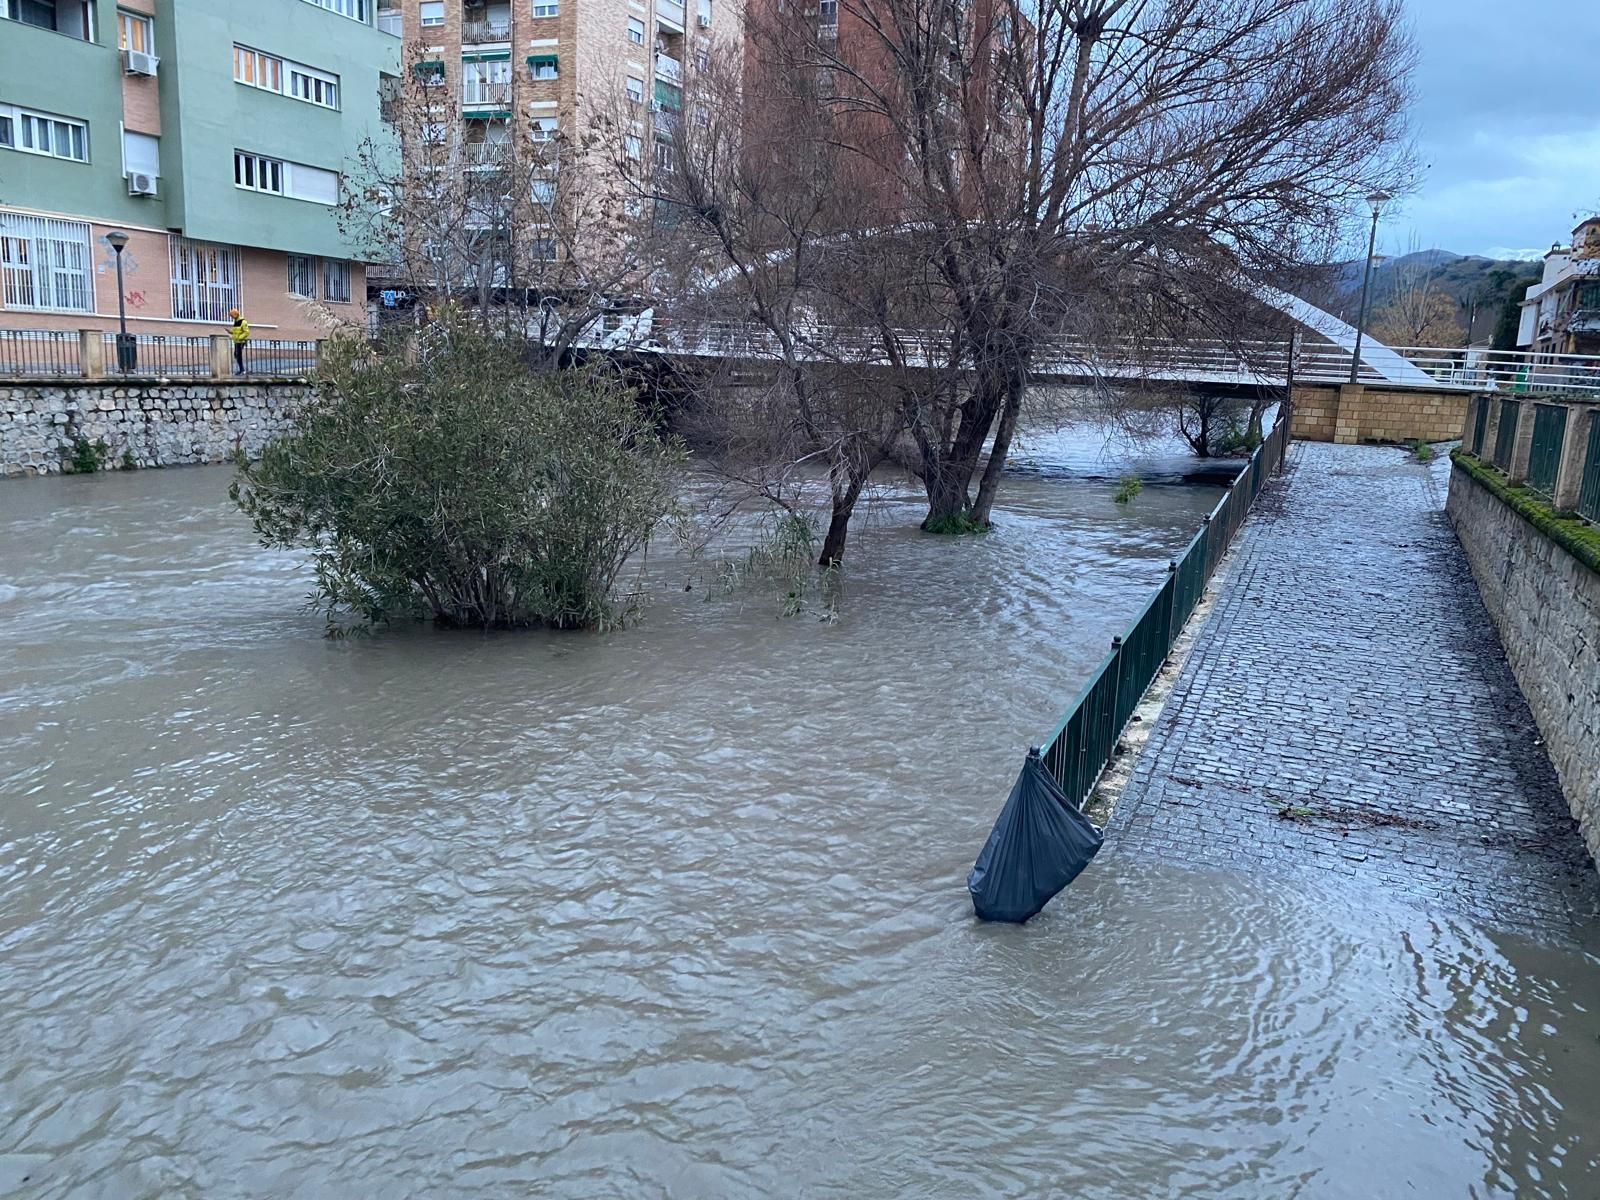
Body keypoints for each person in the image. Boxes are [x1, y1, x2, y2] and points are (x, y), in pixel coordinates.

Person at [228, 308, 250, 374]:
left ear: (235, 315)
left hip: (240, 341)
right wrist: (230, 332)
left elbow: (246, 332)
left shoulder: (243, 322)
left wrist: (239, 338)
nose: (232, 317)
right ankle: (242, 369)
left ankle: (242, 370)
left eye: (232, 316)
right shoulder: (236, 321)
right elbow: (236, 331)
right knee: (236, 355)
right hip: (236, 341)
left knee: (238, 355)